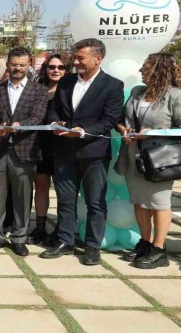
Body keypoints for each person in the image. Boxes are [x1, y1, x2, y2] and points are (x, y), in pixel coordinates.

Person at [41, 38, 124, 265]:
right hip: (64, 152)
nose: (75, 62)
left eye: (80, 58)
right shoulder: (66, 82)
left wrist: (83, 131)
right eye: (74, 57)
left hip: (93, 153)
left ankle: (92, 246)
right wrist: (55, 123)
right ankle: (65, 241)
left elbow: (109, 119)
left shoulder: (113, 85)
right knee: (65, 200)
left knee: (95, 202)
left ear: (98, 59)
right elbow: (53, 109)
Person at [115, 53, 181, 269]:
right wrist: (124, 129)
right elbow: (123, 120)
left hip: (161, 159)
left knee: (159, 203)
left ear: (160, 70)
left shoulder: (178, 95)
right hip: (133, 155)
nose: (141, 70)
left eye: (146, 67)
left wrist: (154, 133)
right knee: (140, 201)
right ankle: (146, 242)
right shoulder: (137, 92)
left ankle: (160, 249)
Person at [0, 47, 48, 256]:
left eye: (22, 64)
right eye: (14, 64)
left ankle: (19, 237)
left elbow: (38, 118)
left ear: (29, 65)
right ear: (8, 65)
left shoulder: (39, 91)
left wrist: (20, 125)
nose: (18, 68)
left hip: (24, 150)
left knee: (22, 196)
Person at [29, 54, 71, 245]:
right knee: (41, 186)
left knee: (64, 190)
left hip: (64, 145)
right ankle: (39, 227)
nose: (56, 70)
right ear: (45, 69)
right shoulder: (37, 90)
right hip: (40, 145)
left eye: (61, 67)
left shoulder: (72, 89)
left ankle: (62, 229)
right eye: (52, 67)